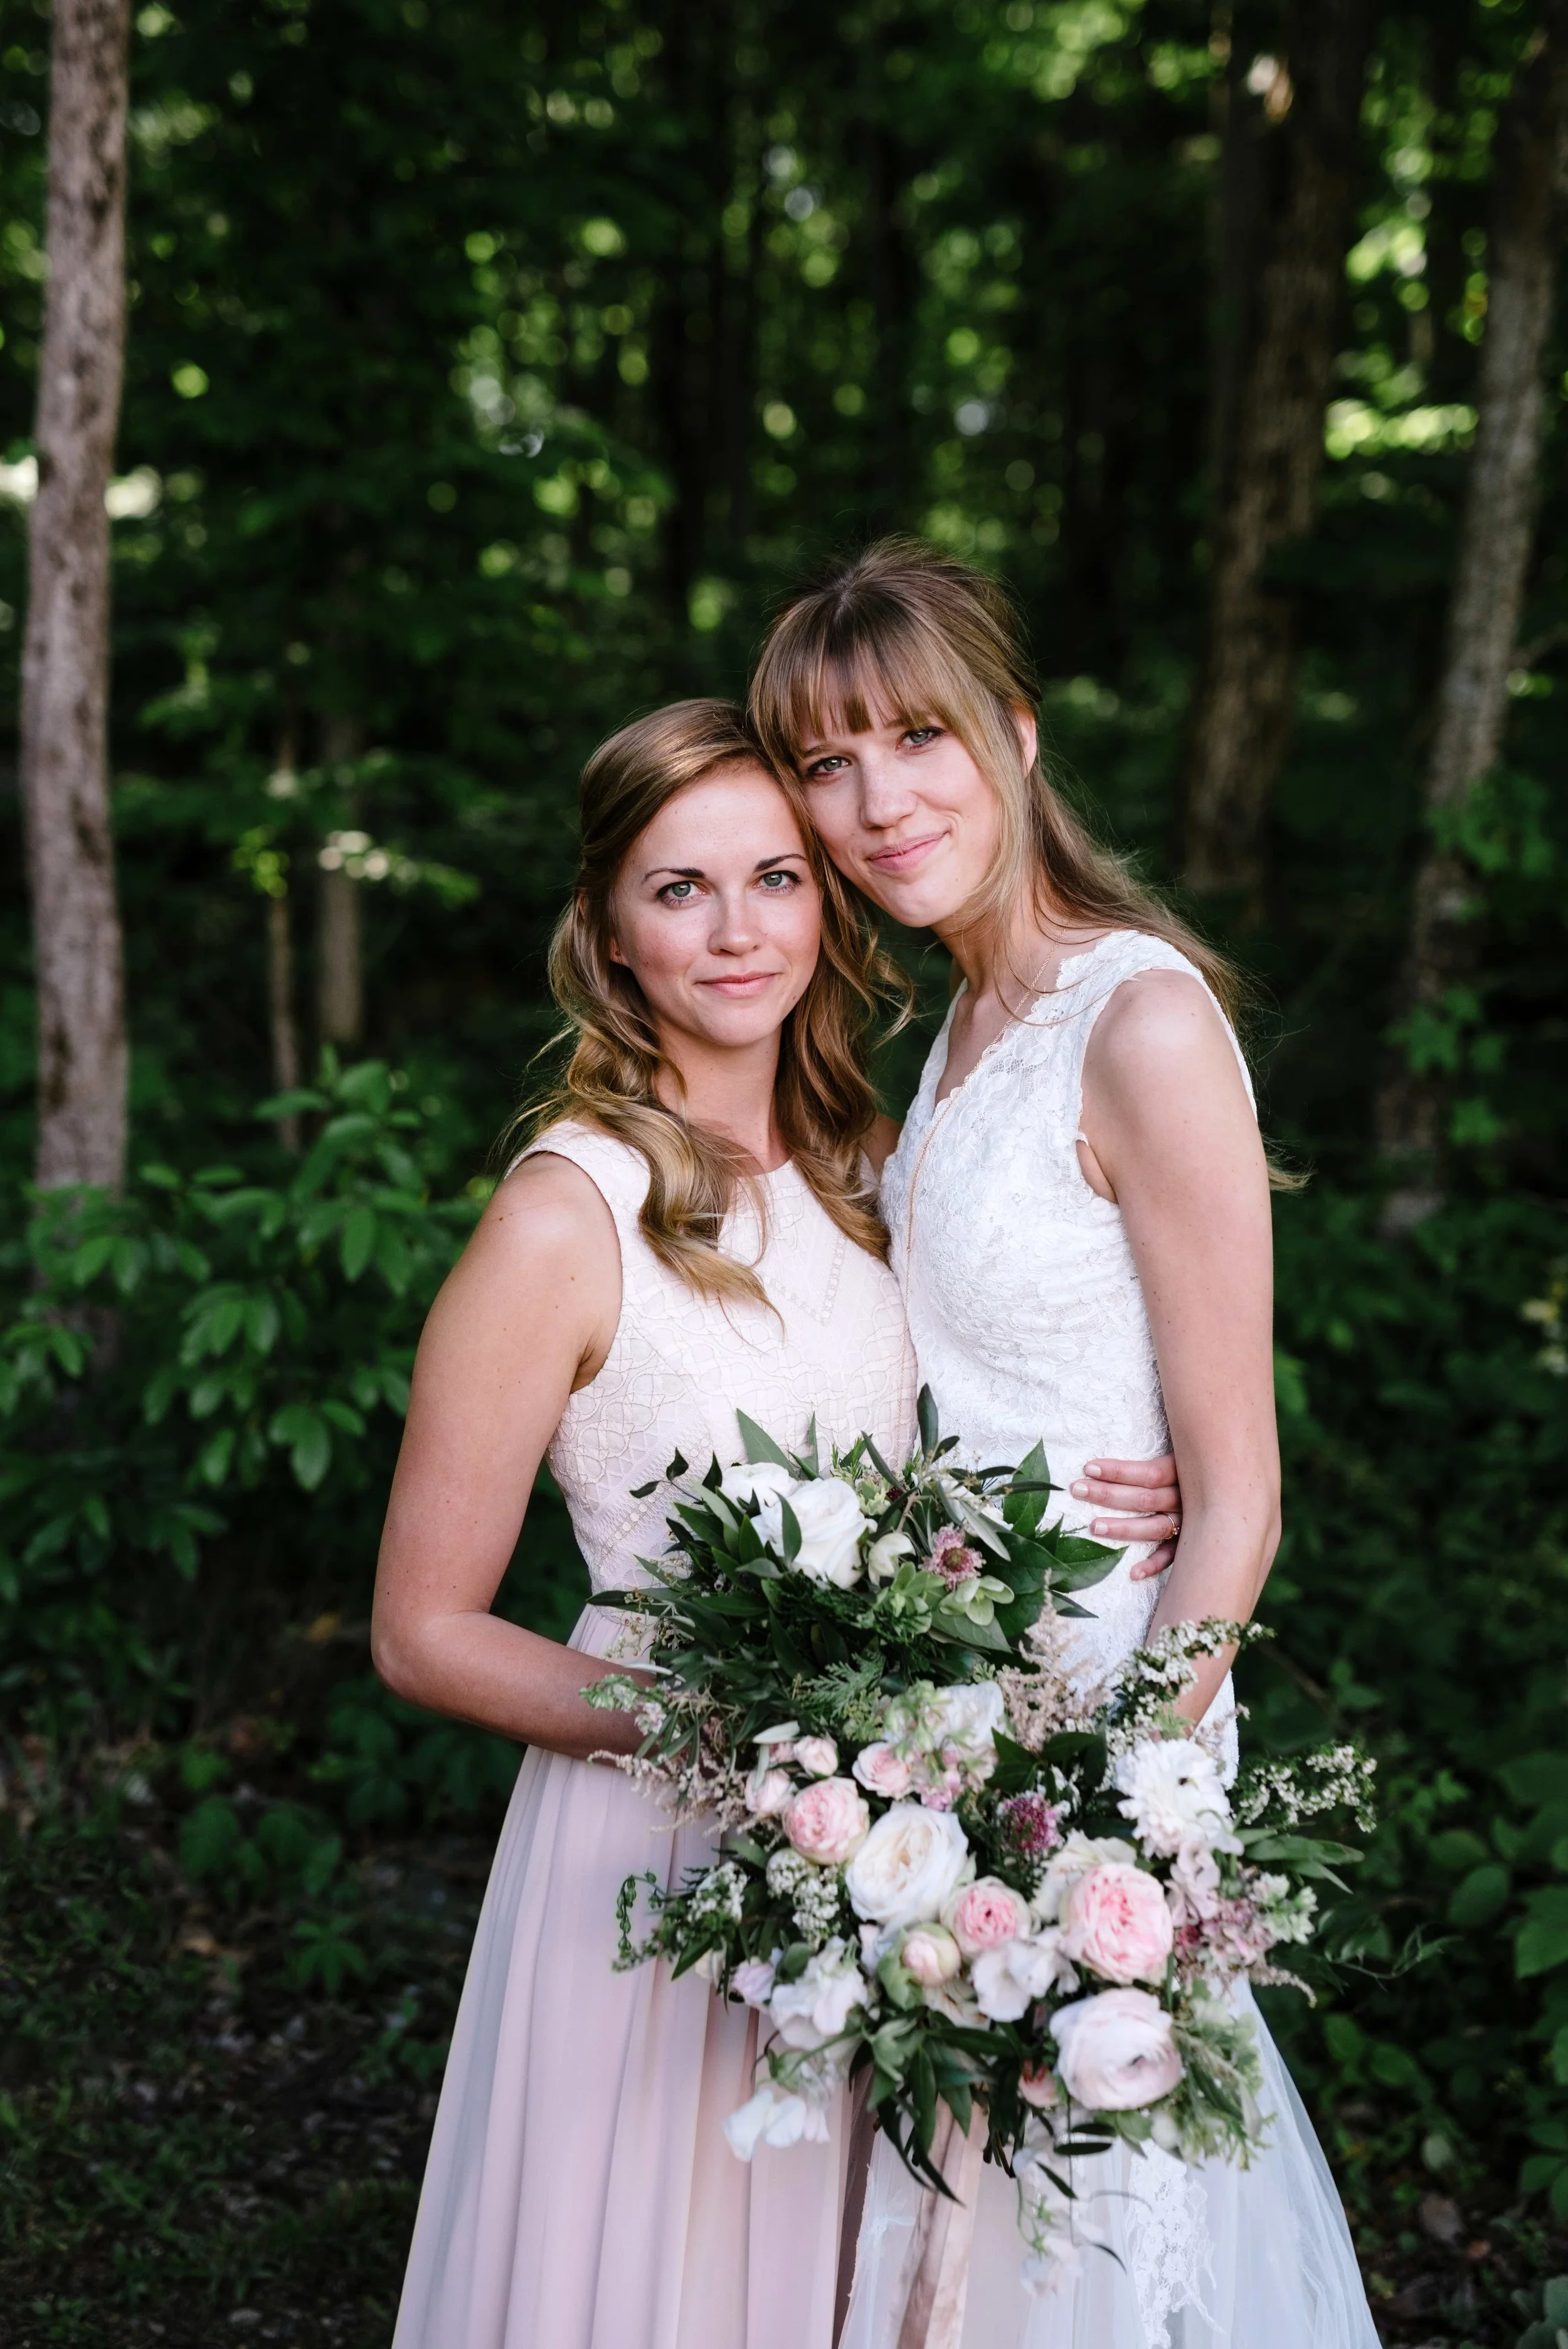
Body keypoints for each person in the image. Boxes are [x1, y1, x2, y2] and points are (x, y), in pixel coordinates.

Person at [751, 539, 1380, 2349]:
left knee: (1102, 2221)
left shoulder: (1140, 1017)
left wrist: (1100, 1823)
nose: (877, 802)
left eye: (915, 739)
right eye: (826, 763)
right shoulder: (948, 1031)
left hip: (1113, 1720)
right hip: (952, 1727)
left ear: (1013, 740)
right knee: (963, 2232)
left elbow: (1238, 1495)